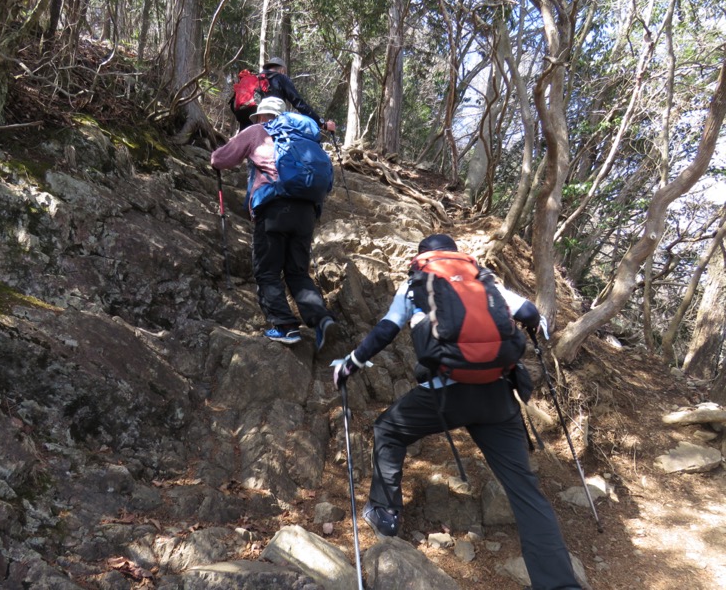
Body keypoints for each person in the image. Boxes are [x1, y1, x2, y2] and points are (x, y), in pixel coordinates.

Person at [333, 233, 581, 590]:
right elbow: (529, 313)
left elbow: (386, 330)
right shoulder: (484, 280)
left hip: (444, 396)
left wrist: (350, 364)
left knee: (389, 428)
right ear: (456, 254)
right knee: (525, 492)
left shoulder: (416, 284)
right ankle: (560, 584)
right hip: (498, 397)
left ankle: (385, 513)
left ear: (422, 257)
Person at [211, 96, 336, 349]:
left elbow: (221, 159)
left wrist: (213, 157)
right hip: (307, 211)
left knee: (267, 271)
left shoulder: (257, 131)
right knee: (297, 272)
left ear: (262, 116)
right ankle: (321, 319)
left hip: (274, 207)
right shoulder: (307, 139)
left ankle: (285, 326)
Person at [230, 57, 336, 133]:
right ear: (281, 69)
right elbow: (298, 103)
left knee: (247, 143)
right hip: (266, 116)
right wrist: (321, 123)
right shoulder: (280, 77)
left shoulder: (256, 77)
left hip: (242, 112)